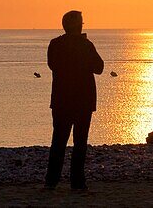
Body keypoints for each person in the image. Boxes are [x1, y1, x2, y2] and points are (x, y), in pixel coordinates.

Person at [44, 10, 104, 190]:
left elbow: (52, 65)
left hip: (62, 100)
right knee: (80, 143)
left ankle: (51, 182)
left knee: (58, 142)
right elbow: (99, 67)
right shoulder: (85, 45)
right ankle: (77, 182)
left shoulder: (55, 44)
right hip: (82, 100)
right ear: (79, 26)